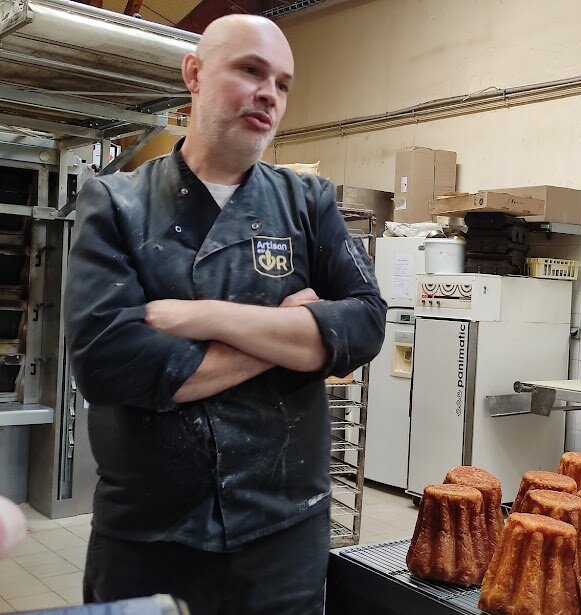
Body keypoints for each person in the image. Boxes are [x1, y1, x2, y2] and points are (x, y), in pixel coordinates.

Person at [65, 14, 386, 615]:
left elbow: (365, 323)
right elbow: (108, 363)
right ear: (194, 73)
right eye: (250, 70)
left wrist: (204, 317)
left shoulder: (308, 203)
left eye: (283, 83)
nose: (269, 93)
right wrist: (291, 336)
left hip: (284, 528)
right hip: (150, 531)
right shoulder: (116, 203)